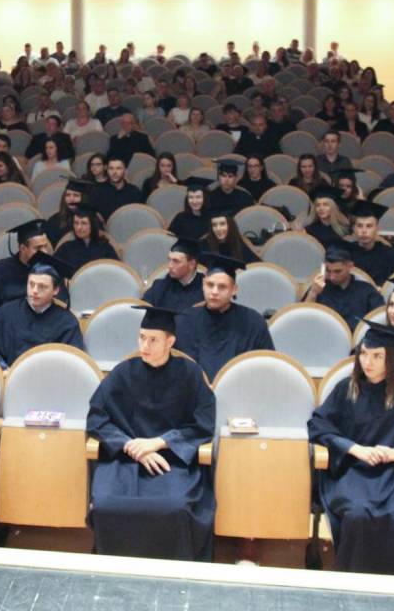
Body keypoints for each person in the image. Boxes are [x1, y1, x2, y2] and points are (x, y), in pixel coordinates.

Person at [308, 322, 394, 576]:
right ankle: (355, 586)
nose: (367, 362)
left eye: (377, 356)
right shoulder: (347, 388)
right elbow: (318, 425)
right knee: (357, 515)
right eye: (363, 354)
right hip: (355, 472)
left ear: (390, 359)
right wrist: (354, 449)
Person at [87, 306, 216, 561]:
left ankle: (174, 569)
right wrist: (131, 446)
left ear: (170, 341)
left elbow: (203, 423)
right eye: (141, 337)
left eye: (153, 340)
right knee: (105, 504)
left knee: (176, 506)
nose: (144, 345)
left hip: (172, 459)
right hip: (125, 458)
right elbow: (96, 418)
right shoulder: (123, 372)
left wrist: (159, 442)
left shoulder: (190, 374)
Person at [173, 254, 273, 382]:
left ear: (234, 290)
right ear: (203, 284)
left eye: (222, 287)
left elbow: (266, 368)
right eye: (210, 285)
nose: (214, 292)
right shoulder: (184, 321)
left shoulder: (253, 322)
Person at [0, 252, 83, 367]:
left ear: (55, 290)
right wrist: (2, 368)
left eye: (42, 286)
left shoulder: (67, 323)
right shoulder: (5, 314)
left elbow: (73, 363)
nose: (34, 291)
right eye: (31, 284)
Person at [0, 219, 62, 311]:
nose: (44, 252)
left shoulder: (53, 269)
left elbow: (60, 304)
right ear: (23, 248)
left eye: (45, 246)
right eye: (38, 248)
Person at [304, 244, 385, 330]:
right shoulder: (318, 288)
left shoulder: (366, 291)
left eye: (337, 271)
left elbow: (380, 320)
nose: (332, 277)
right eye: (328, 271)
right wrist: (313, 293)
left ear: (350, 266)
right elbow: (303, 319)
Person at [347, 200, 394, 285]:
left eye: (369, 226)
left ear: (377, 229)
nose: (364, 231)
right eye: (359, 226)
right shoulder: (345, 253)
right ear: (354, 229)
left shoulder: (391, 255)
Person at [142, 238, 204, 314]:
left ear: (192, 264)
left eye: (176, 261)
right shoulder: (159, 287)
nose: (170, 266)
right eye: (169, 260)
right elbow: (142, 311)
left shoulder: (205, 289)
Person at [55, 205, 118, 273]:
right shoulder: (66, 248)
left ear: (92, 225)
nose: (79, 227)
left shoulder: (105, 248)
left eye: (83, 223)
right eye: (76, 223)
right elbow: (53, 269)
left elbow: (117, 271)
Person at [90, 156, 143, 222]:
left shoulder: (134, 192)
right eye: (111, 168)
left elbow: (139, 215)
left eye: (118, 168)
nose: (114, 172)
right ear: (107, 170)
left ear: (125, 171)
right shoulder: (97, 191)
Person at [168, 176, 212, 241]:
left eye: (198, 197)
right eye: (191, 197)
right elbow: (169, 239)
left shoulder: (212, 219)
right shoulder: (180, 218)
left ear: (205, 198)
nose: (194, 201)